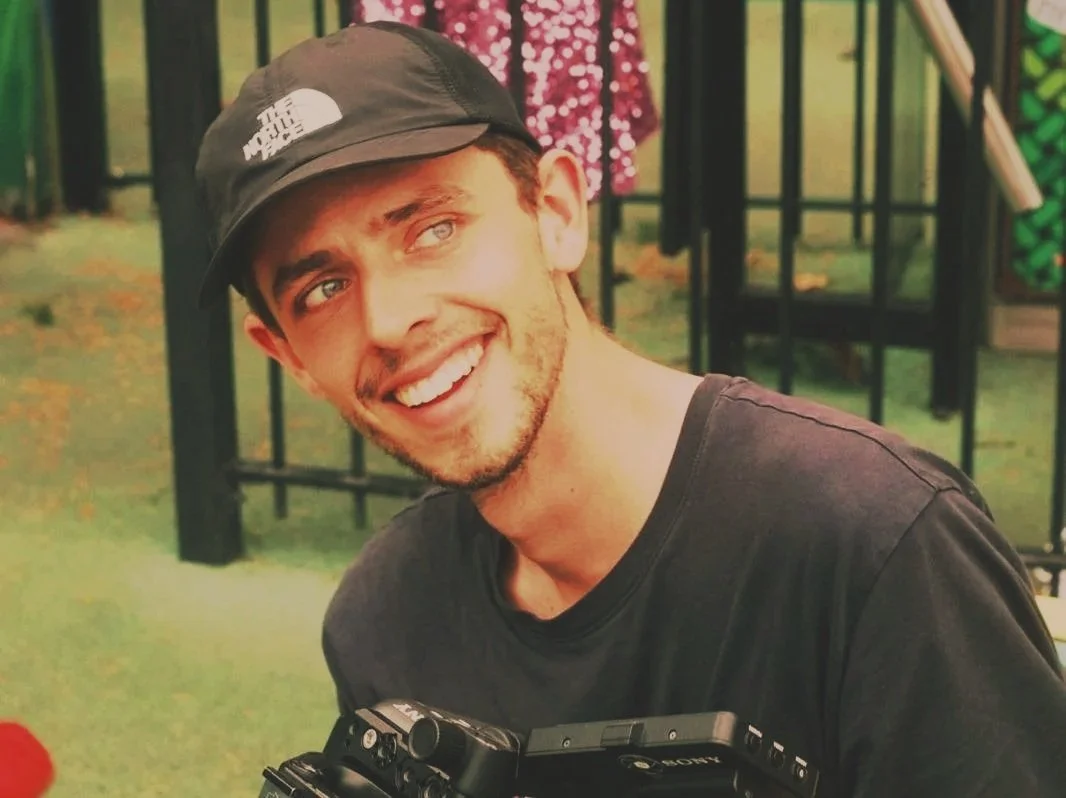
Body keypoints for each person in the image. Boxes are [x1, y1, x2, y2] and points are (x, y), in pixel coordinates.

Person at [194, 20, 1066, 798]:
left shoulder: (874, 546)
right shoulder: (384, 619)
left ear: (557, 213)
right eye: (323, 288)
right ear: (288, 356)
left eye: (433, 229)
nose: (388, 320)